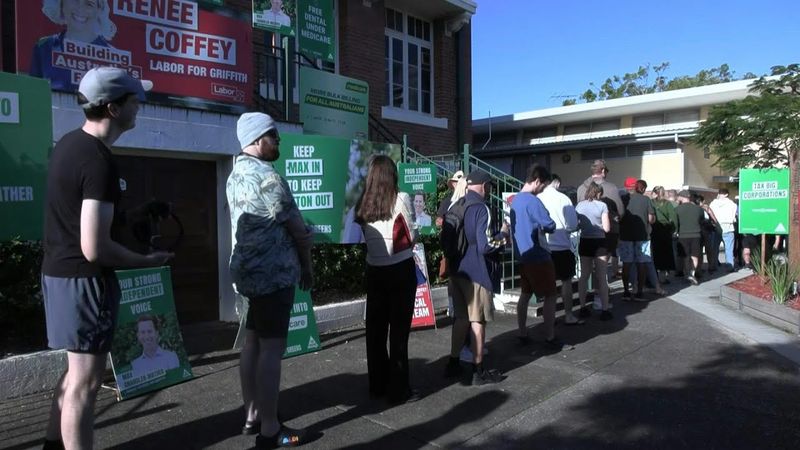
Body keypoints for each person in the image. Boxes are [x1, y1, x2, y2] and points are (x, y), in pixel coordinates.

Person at [40, 67, 172, 450]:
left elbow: (78, 220)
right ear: (114, 108)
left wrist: (138, 213)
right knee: (87, 382)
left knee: (74, 373)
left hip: (61, 275)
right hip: (85, 280)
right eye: (135, 101)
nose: (139, 107)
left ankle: (53, 443)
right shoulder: (99, 161)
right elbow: (94, 247)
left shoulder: (69, 146)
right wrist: (148, 261)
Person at [227, 112, 313, 448]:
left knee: (252, 342)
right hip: (272, 276)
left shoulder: (235, 173)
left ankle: (251, 415)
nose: (278, 141)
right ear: (258, 139)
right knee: (271, 351)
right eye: (274, 136)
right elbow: (299, 232)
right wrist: (307, 268)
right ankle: (270, 429)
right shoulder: (268, 178)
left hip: (246, 275)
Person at [355, 155, 418, 404]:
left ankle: (377, 385)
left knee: (375, 332)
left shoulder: (363, 202)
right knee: (399, 334)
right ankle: (399, 389)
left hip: (375, 269)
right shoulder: (401, 198)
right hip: (400, 268)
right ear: (392, 175)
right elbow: (411, 234)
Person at [444, 170, 508, 385]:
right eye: (489, 186)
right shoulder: (481, 208)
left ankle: (453, 363)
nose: (490, 190)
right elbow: (486, 244)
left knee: (460, 318)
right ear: (484, 185)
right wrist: (504, 236)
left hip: (456, 271)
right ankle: (478, 370)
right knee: (477, 320)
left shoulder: (456, 205)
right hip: (476, 273)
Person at [511, 165, 562, 346]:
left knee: (525, 294)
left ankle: (522, 331)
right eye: (543, 185)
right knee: (550, 295)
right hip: (538, 255)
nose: (542, 189)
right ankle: (550, 336)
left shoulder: (515, 200)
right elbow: (549, 224)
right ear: (538, 181)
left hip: (522, 255)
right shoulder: (533, 201)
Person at [31, 0, 118, 91]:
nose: (80, 9)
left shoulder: (113, 58)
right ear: (61, 4)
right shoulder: (44, 47)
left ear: (99, 10)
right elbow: (33, 91)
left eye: (89, 4)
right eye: (74, 1)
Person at [537, 173, 582, 326]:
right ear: (556, 183)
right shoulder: (564, 199)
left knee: (547, 285)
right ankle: (568, 315)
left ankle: (549, 317)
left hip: (544, 247)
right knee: (566, 281)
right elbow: (572, 224)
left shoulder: (538, 198)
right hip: (562, 245)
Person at [618, 177, 662, 301]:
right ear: (637, 186)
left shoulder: (623, 199)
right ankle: (639, 293)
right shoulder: (645, 199)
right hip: (643, 237)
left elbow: (618, 217)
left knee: (626, 264)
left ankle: (626, 291)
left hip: (625, 236)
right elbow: (651, 219)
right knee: (641, 264)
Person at [575, 182, 612, 320]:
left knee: (584, 275)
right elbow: (607, 228)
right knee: (601, 277)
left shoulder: (579, 205)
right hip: (599, 242)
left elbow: (575, 224)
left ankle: (583, 307)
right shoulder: (602, 206)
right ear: (599, 193)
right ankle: (605, 309)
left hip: (585, 241)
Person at [674, 190, 705, 285]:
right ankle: (692, 273)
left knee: (685, 256)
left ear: (681, 197)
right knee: (695, 256)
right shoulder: (699, 209)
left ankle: (687, 274)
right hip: (696, 235)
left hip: (683, 235)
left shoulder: (677, 209)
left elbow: (676, 223)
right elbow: (702, 221)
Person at [650, 186, 677, 283]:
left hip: (653, 229)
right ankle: (663, 277)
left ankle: (654, 276)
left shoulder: (651, 202)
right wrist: (674, 230)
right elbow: (673, 218)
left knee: (655, 253)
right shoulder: (667, 203)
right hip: (665, 230)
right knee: (665, 254)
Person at [709, 188, 738, 271]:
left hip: (716, 227)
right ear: (727, 194)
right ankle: (730, 265)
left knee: (714, 248)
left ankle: (713, 265)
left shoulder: (713, 203)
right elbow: (734, 217)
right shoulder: (732, 204)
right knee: (729, 248)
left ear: (719, 194)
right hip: (728, 227)